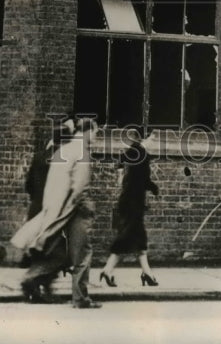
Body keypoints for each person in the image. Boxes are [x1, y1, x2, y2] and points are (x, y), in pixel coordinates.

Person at [11, 117, 102, 308]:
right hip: (73, 210)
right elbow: (79, 188)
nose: (96, 136)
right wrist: (85, 209)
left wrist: (53, 211)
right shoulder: (82, 152)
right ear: (87, 131)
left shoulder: (63, 150)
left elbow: (52, 184)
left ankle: (32, 278)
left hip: (54, 209)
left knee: (58, 252)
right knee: (82, 253)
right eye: (95, 132)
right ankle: (80, 298)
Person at [99, 128, 160, 287]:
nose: (153, 142)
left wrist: (121, 173)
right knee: (127, 238)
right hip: (133, 203)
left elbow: (122, 161)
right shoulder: (141, 153)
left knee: (139, 239)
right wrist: (154, 188)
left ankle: (146, 273)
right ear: (145, 138)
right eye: (152, 138)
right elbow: (143, 180)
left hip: (130, 202)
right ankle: (108, 270)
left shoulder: (134, 151)